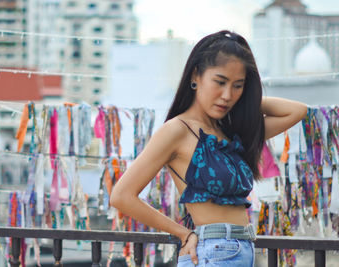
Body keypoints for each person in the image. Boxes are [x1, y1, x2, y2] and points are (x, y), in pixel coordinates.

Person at [110, 30, 307, 266]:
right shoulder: (177, 130)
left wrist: (246, 100)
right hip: (213, 252)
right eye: (220, 82)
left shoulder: (231, 132)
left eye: (238, 86)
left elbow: (296, 111)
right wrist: (183, 233)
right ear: (196, 76)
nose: (227, 95)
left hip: (242, 249)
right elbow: (121, 196)